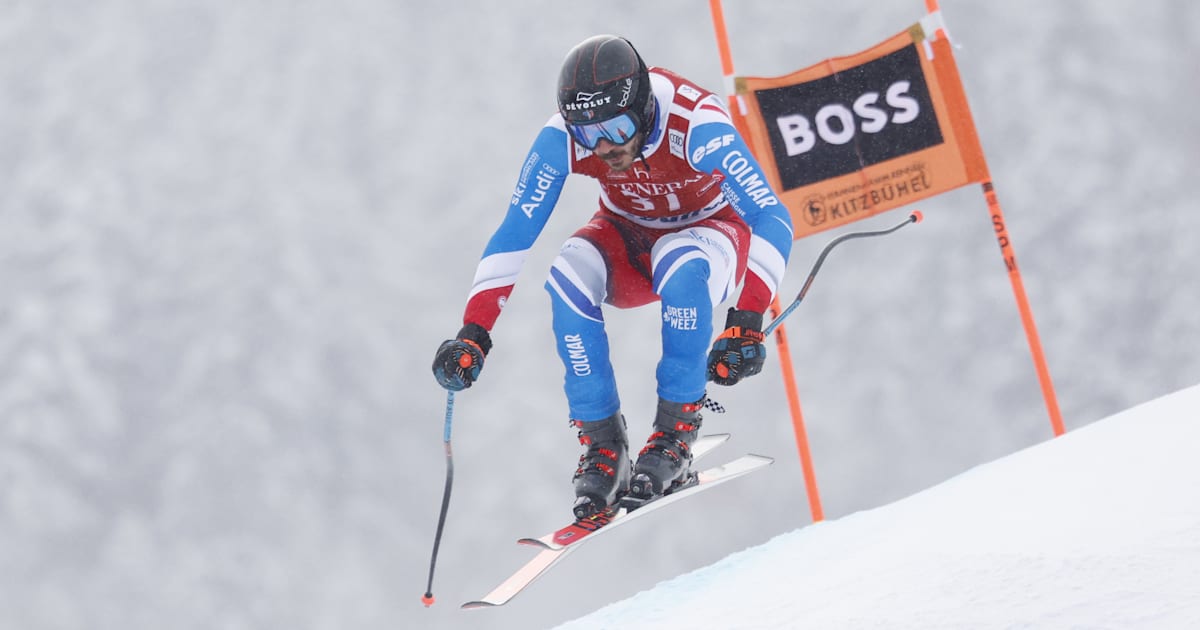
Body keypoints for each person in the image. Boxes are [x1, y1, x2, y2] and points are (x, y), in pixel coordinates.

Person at [432, 35, 794, 520]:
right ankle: (604, 446)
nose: (604, 146)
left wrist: (746, 320)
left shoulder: (697, 124)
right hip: (626, 239)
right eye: (587, 135)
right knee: (568, 271)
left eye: (618, 127)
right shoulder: (562, 137)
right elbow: (516, 231)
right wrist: (473, 334)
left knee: (679, 260)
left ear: (644, 108)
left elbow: (773, 217)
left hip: (711, 237)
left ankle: (674, 433)